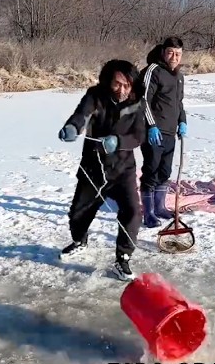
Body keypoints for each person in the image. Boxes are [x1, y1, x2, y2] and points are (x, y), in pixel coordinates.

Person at [58, 59, 148, 281]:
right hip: (93, 168)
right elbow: (82, 115)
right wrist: (72, 127)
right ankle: (80, 240)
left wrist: (119, 141)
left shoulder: (138, 102)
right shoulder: (95, 96)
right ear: (108, 81)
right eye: (117, 84)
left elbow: (138, 136)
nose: (122, 90)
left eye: (126, 85)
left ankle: (123, 259)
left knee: (133, 212)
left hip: (123, 169)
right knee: (78, 214)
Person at [138, 36, 189, 228]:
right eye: (170, 53)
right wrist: (151, 125)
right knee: (151, 171)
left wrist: (182, 121)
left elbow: (179, 103)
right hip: (153, 132)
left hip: (170, 132)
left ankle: (159, 207)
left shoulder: (179, 76)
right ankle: (148, 213)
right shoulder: (153, 71)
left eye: (178, 54)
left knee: (165, 171)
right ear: (163, 52)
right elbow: (143, 100)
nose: (174, 57)